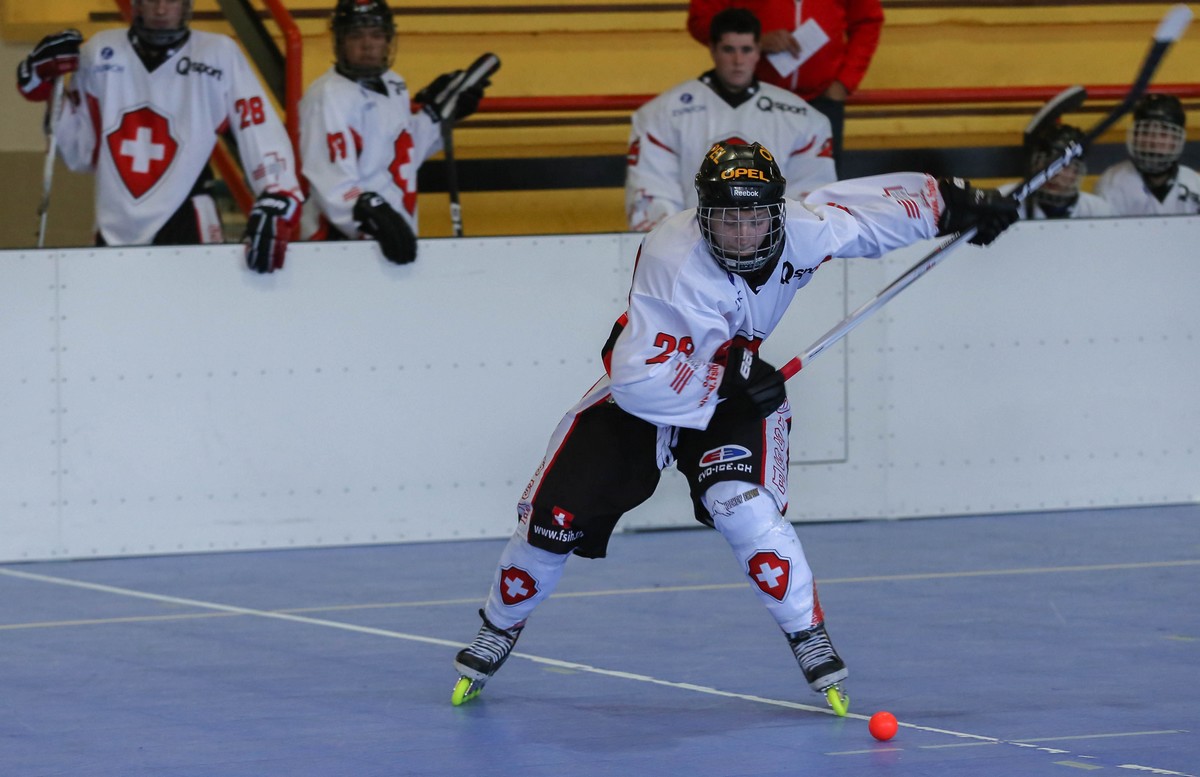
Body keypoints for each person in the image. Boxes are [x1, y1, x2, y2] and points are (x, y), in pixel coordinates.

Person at [450, 140, 1019, 712]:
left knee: (741, 505)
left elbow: (867, 218)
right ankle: (499, 625)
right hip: (651, 385)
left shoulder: (801, 230)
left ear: (776, 212)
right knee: (553, 520)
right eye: (727, 218)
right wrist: (737, 371)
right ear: (703, 215)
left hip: (731, 391)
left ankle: (807, 633)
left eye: (755, 217)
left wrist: (952, 204)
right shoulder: (672, 255)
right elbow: (637, 375)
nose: (743, 233)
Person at [16, 0, 303, 273]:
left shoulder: (218, 54)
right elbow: (81, 153)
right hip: (114, 223)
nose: (162, 9)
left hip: (189, 217)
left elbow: (257, 125)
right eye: (153, 0)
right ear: (137, 3)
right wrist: (46, 82)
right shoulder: (100, 52)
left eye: (172, 0)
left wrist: (276, 192)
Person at [299, 0, 490, 264]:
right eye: (356, 35)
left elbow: (401, 154)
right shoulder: (327, 96)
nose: (367, 45)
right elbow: (331, 182)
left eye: (376, 35)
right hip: (341, 242)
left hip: (393, 231)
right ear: (340, 42)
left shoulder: (394, 83)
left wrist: (436, 117)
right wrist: (367, 216)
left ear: (388, 40)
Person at [625, 8, 835, 232]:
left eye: (746, 50)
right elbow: (654, 192)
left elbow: (811, 198)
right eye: (728, 49)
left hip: (770, 244)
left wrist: (772, 237)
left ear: (758, 51)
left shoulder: (804, 120)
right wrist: (680, 240)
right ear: (713, 49)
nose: (738, 60)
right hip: (689, 244)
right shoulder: (660, 115)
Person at [686, 0, 885, 173]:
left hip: (822, 101)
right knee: (746, 183)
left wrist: (845, 81)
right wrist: (753, 40)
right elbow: (702, 19)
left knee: (820, 189)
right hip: (752, 100)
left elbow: (867, 21)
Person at [1094, 93, 1200, 216]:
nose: (1154, 141)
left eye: (1164, 133)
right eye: (1146, 132)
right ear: (1135, 136)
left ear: (1177, 140)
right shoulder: (1112, 183)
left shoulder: (1194, 185)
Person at [1019, 123, 1112, 220]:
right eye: (1047, 163)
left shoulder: (1098, 210)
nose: (1055, 173)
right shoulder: (1011, 201)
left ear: (1077, 172)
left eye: (1065, 166)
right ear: (1034, 164)